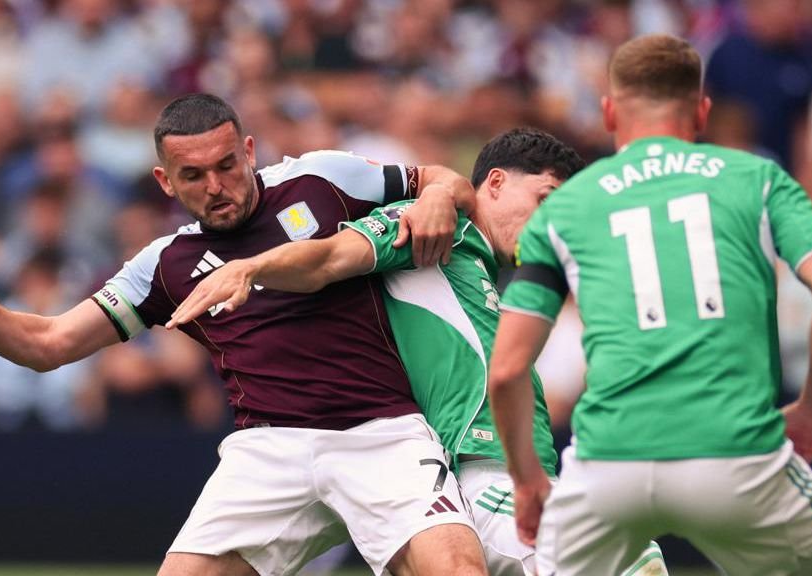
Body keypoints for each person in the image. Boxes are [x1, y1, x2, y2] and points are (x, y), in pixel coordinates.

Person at [0, 93, 488, 576]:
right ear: (166, 181)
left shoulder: (322, 178)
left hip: (380, 432)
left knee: (458, 568)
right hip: (269, 451)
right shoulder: (165, 264)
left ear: (249, 151)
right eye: (194, 175)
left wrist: (437, 195)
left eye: (227, 165)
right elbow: (48, 344)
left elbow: (448, 181)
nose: (216, 184)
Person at [168, 127, 667, 576]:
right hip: (478, 471)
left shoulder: (484, 268)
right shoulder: (436, 229)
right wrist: (251, 268)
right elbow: (329, 257)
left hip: (517, 473)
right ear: (495, 183)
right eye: (547, 199)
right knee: (630, 558)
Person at [489, 35, 812, 576]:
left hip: (607, 463)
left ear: (610, 112)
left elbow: (506, 369)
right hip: (735, 453)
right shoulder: (758, 179)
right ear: (702, 112)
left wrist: (527, 482)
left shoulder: (565, 207)